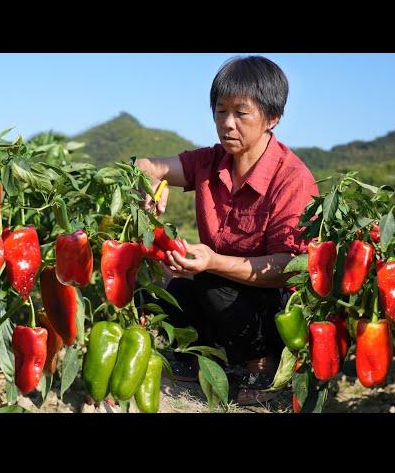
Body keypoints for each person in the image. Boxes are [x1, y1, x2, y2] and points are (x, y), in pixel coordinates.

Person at [135, 55, 318, 405]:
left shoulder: (292, 179)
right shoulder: (210, 161)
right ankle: (196, 353)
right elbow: (145, 165)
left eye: (241, 112)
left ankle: (261, 362)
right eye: (221, 111)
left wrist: (214, 261)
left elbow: (289, 268)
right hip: (219, 288)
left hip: (269, 304)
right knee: (150, 264)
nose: (228, 123)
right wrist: (154, 185)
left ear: (272, 118)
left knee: (211, 282)